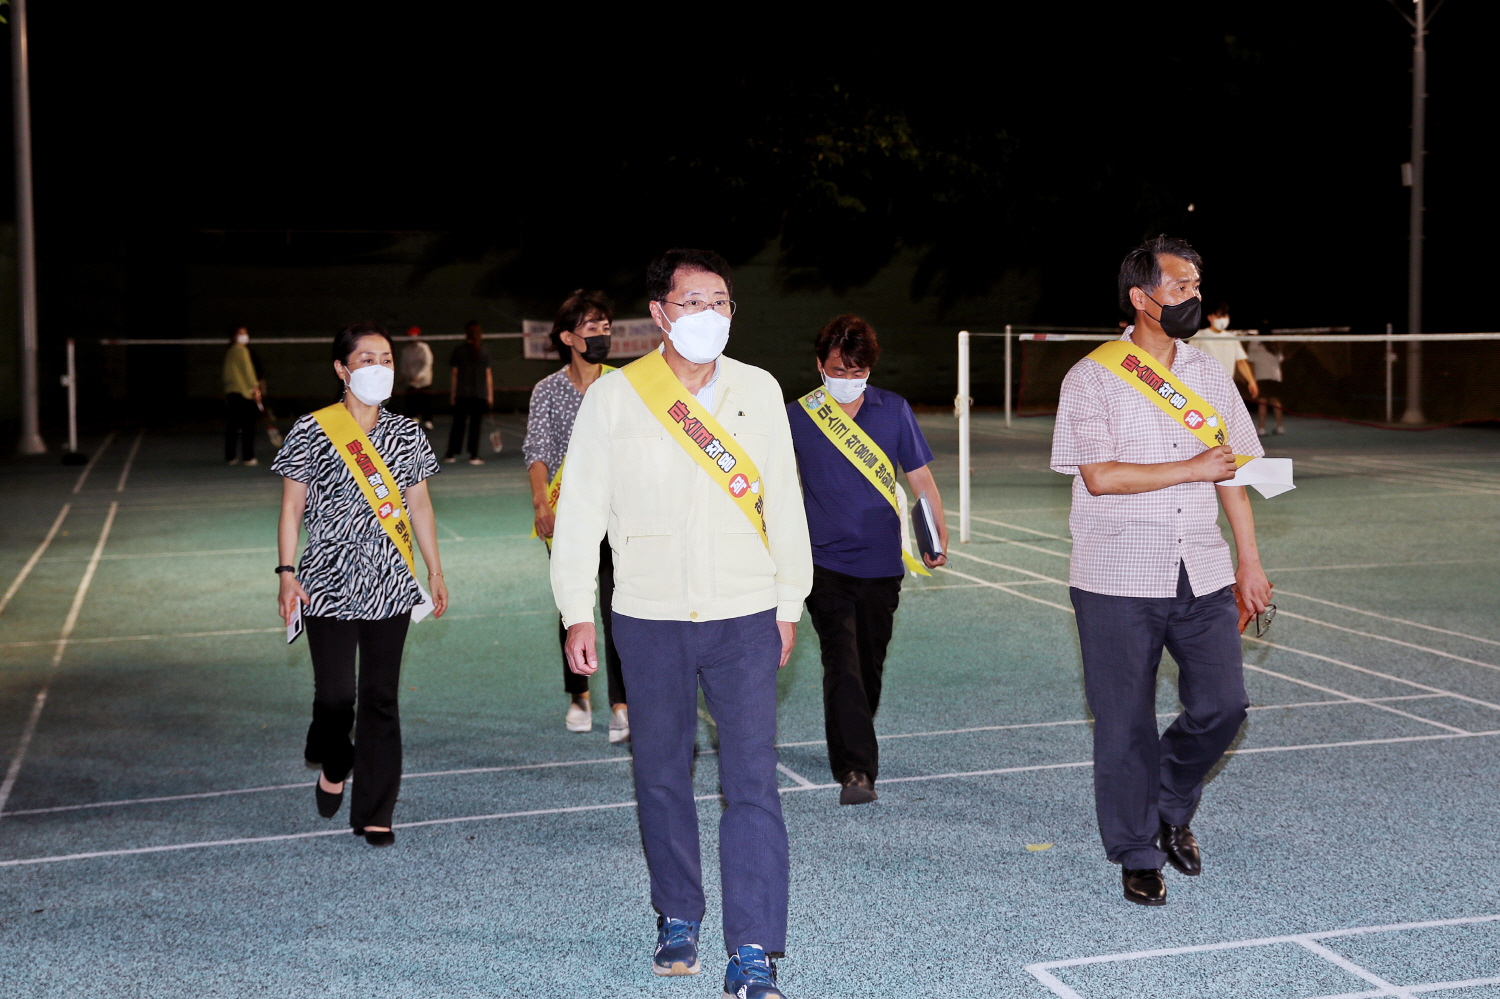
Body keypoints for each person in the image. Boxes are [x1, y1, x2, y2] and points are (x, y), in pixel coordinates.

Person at [550, 249, 810, 999]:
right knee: (661, 773)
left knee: (752, 781)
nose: (712, 315)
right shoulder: (615, 397)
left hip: (745, 613)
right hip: (649, 616)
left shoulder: (759, 390)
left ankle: (754, 945)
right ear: (660, 313)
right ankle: (678, 913)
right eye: (694, 301)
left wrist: (789, 601)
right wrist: (576, 609)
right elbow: (579, 516)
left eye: (722, 301)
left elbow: (786, 503)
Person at [1050, 236, 1270, 907]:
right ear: (1142, 299)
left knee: (1222, 704)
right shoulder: (1090, 377)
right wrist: (1191, 468)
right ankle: (1137, 849)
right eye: (1178, 286)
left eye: (1196, 283)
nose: (1193, 296)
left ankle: (1171, 799)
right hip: (1116, 572)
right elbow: (1101, 475)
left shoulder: (1208, 375)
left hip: (1199, 569)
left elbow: (1231, 472)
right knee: (1123, 723)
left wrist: (1249, 558)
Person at [273, 321, 449, 847]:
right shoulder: (311, 429)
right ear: (342, 369)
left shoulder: (406, 433)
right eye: (367, 358)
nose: (379, 367)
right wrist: (286, 574)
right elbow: (291, 506)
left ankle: (376, 810)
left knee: (379, 698)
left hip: (391, 584)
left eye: (387, 358)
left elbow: (418, 504)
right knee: (334, 696)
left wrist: (435, 570)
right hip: (325, 583)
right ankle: (334, 757)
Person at [786, 314, 947, 806]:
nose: (849, 379)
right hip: (824, 564)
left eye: (859, 371)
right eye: (840, 368)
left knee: (869, 665)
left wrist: (932, 537)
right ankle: (856, 769)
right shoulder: (797, 415)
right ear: (820, 365)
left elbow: (920, 481)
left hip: (882, 563)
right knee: (844, 663)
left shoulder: (892, 410)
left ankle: (852, 735)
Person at [522, 289, 629, 741]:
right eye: (591, 328)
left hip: (620, 514)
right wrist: (541, 503)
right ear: (568, 336)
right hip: (568, 517)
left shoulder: (622, 383)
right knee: (574, 604)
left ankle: (623, 703)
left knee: (620, 606)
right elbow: (537, 451)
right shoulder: (547, 391)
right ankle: (578, 694)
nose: (601, 334)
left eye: (606, 327)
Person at [446, 321, 493, 464]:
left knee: (457, 425)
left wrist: (453, 394)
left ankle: (450, 454)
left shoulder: (458, 350)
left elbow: (454, 374)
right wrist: (490, 396)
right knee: (475, 427)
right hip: (479, 395)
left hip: (462, 395)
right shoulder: (484, 351)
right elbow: (488, 375)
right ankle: (474, 456)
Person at [1192, 304, 1258, 402]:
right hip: (1203, 386)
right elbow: (1190, 359)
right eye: (1219, 316)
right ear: (1210, 317)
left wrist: (1251, 381)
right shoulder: (1199, 336)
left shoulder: (1231, 337)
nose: (1223, 319)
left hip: (1226, 386)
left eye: (1225, 316)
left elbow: (1241, 361)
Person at [224, 326, 262, 466]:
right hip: (244, 394)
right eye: (241, 333)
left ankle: (230, 457)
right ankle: (248, 457)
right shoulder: (242, 350)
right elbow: (248, 372)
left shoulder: (230, 351)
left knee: (232, 427)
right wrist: (256, 390)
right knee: (248, 428)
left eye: (246, 333)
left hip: (232, 394)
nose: (244, 336)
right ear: (234, 336)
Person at [1246, 326, 1286, 435]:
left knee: (1262, 402)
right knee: (1276, 401)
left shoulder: (1254, 343)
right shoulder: (1275, 343)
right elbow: (1280, 359)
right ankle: (1279, 426)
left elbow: (1251, 361)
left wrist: (1251, 377)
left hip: (1261, 376)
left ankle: (1261, 428)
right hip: (1276, 376)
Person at [398, 325, 435, 430]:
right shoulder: (406, 350)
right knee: (411, 402)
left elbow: (427, 363)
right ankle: (412, 420)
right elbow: (404, 365)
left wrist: (419, 376)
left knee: (426, 401)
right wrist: (403, 376)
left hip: (424, 381)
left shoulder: (424, 348)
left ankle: (428, 421)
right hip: (411, 381)